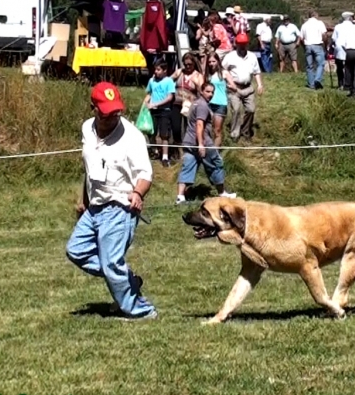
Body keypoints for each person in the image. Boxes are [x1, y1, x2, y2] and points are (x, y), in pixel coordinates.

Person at [66, 82, 157, 320]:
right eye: (107, 113)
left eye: (116, 111)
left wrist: (138, 193)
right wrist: (84, 199)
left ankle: (141, 311)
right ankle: (126, 280)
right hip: (95, 206)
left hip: (120, 206)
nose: (113, 117)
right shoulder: (87, 128)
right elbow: (90, 167)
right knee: (76, 251)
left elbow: (145, 174)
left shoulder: (132, 137)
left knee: (111, 262)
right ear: (93, 108)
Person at [175, 82, 237, 204]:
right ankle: (222, 193)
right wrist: (201, 144)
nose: (211, 94)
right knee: (216, 163)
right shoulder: (203, 105)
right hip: (202, 141)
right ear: (201, 91)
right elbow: (199, 124)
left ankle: (180, 197)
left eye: (212, 92)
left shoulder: (196, 103)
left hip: (188, 141)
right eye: (208, 91)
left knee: (188, 166)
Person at [222, 33, 264, 141]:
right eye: (240, 44)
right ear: (236, 44)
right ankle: (234, 134)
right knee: (236, 110)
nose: (242, 46)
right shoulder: (230, 56)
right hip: (234, 88)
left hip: (248, 88)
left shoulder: (252, 56)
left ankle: (246, 132)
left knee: (251, 110)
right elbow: (223, 69)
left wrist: (259, 84)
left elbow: (257, 72)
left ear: (247, 44)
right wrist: (228, 80)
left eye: (244, 44)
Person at [170, 53, 204, 160]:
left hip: (190, 105)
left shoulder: (198, 75)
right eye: (186, 64)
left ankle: (188, 150)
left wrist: (197, 84)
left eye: (190, 64)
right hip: (177, 103)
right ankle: (177, 148)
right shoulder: (180, 72)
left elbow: (203, 92)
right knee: (176, 127)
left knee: (189, 128)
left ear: (194, 63)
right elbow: (168, 81)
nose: (188, 66)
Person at [144, 59, 175, 167]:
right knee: (151, 132)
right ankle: (154, 151)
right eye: (155, 69)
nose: (156, 72)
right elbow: (149, 93)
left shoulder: (169, 81)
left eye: (158, 70)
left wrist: (158, 103)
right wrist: (145, 104)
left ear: (165, 70)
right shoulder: (152, 81)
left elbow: (170, 97)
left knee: (164, 135)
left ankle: (165, 157)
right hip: (153, 110)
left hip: (164, 111)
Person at [206, 51, 237, 147]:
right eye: (209, 62)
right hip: (209, 104)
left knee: (217, 130)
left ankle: (215, 153)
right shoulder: (207, 74)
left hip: (220, 104)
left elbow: (234, 87)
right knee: (208, 129)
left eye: (213, 61)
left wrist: (228, 86)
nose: (211, 64)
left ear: (218, 61)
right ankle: (209, 149)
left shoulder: (224, 73)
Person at [299, 10, 327, 89]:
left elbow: (301, 38)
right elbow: (324, 35)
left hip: (308, 45)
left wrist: (304, 46)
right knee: (320, 64)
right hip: (317, 45)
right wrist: (325, 44)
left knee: (309, 66)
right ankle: (317, 79)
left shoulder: (304, 25)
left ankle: (311, 84)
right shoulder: (320, 23)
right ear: (315, 15)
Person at [330, 11, 354, 90]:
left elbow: (333, 38)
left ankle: (341, 84)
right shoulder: (353, 26)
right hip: (350, 48)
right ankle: (349, 83)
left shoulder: (337, 26)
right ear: (350, 18)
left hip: (339, 49)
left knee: (339, 67)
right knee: (350, 67)